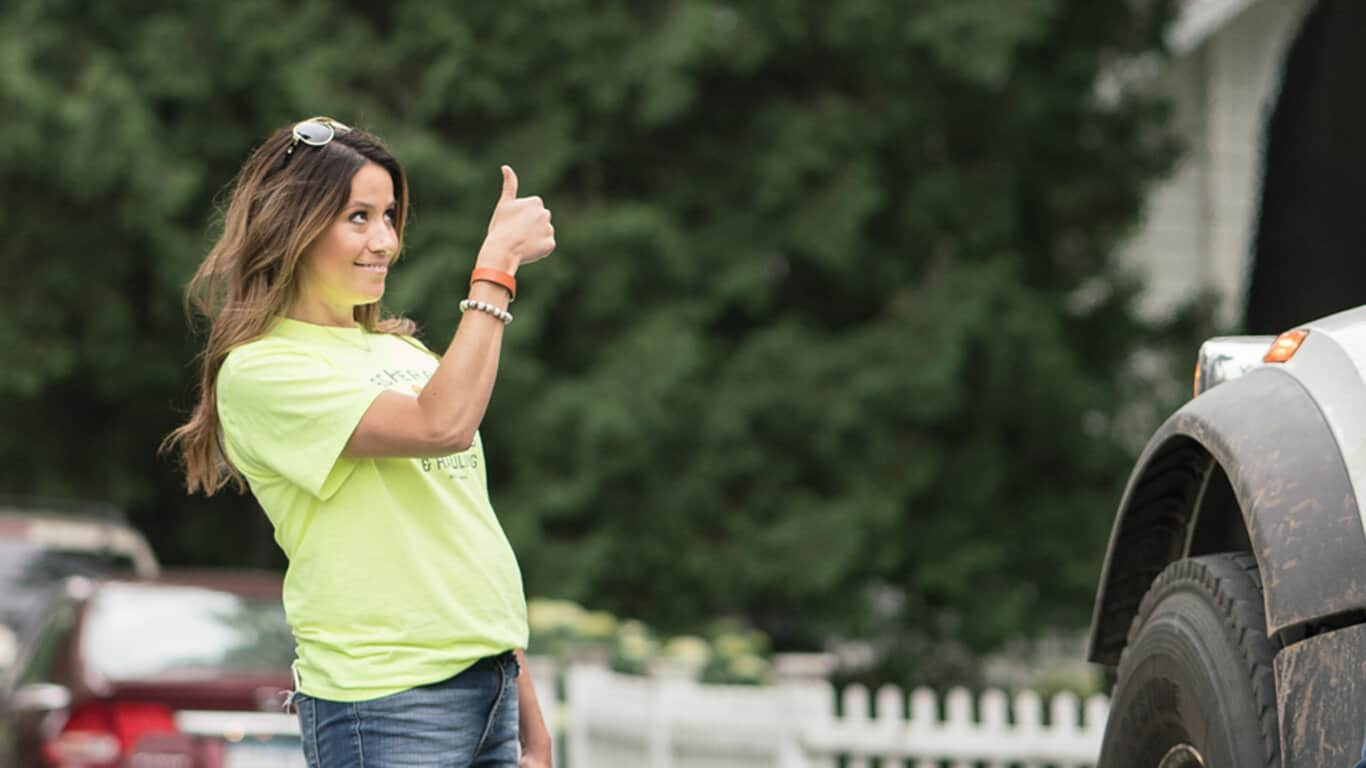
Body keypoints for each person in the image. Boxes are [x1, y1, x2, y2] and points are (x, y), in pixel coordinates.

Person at [162, 116, 556, 767]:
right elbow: (442, 426)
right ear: (295, 226)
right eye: (358, 217)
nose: (385, 241)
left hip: (489, 689)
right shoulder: (264, 370)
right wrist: (496, 270)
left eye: (391, 216)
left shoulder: (403, 352)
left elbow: (462, 527)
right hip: (388, 703)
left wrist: (522, 699)